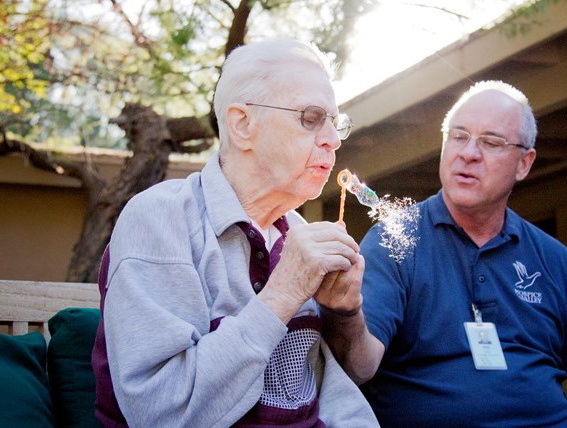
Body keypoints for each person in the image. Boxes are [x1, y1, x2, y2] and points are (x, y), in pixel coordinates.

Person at [91, 38, 378, 427]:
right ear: (242, 124)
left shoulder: (299, 233)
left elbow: (358, 374)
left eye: (335, 122)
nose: (334, 139)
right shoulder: (161, 219)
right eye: (311, 117)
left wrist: (345, 313)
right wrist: (285, 291)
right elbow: (162, 412)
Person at [320, 80, 567, 427]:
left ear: (524, 163)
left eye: (490, 142)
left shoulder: (555, 260)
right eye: (458, 136)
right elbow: (358, 367)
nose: (469, 152)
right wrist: (347, 311)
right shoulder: (395, 239)